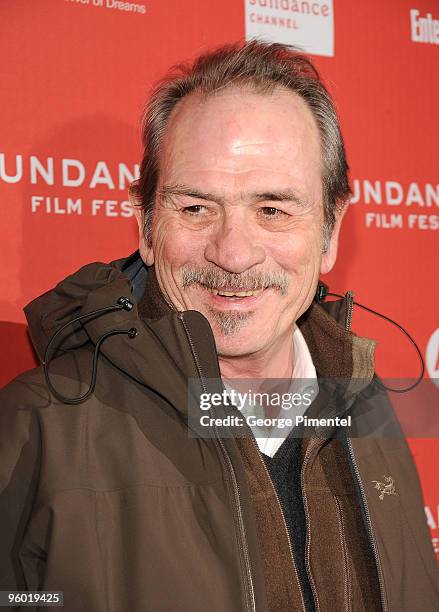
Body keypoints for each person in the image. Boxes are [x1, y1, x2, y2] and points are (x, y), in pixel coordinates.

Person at [1, 41, 438, 611]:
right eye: (196, 208)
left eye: (273, 209)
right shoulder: (38, 428)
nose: (233, 254)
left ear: (331, 231)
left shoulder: (369, 408)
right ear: (145, 226)